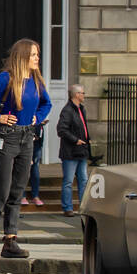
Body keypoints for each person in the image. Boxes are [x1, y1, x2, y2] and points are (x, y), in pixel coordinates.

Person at [0, 38, 52, 258]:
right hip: (6, 138)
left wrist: (38, 117)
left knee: (17, 191)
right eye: (34, 55)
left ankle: (10, 241)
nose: (37, 59)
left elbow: (47, 103)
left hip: (27, 137)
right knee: (1, 191)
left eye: (37, 55)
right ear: (23, 56)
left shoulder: (36, 81)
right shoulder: (6, 78)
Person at [57, 84, 91, 217]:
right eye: (82, 93)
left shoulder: (81, 109)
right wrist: (75, 140)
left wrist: (88, 140)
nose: (84, 95)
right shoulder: (68, 110)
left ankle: (83, 207)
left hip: (81, 150)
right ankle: (67, 207)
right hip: (71, 152)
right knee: (68, 181)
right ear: (76, 95)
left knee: (83, 180)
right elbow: (61, 130)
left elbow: (83, 127)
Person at [21, 128, 45, 206]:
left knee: (35, 171)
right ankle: (22, 196)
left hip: (36, 145)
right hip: (24, 144)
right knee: (23, 170)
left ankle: (35, 196)